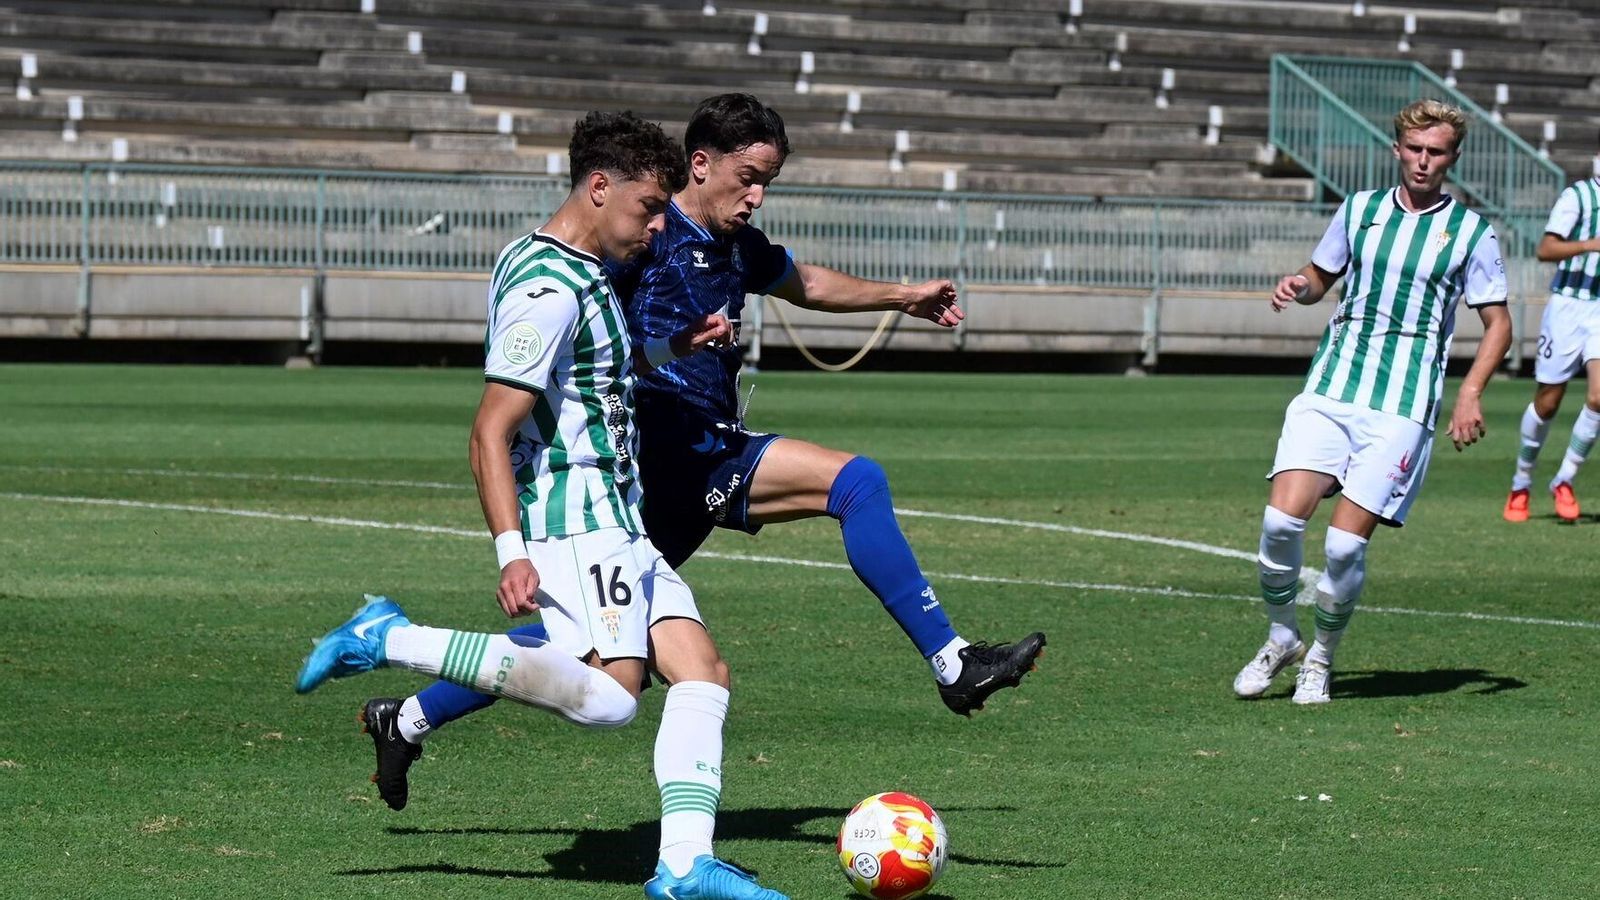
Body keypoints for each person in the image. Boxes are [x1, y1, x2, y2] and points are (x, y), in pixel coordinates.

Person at [357, 93, 1046, 812]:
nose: (756, 196)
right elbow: (578, 301)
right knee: (854, 483)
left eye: (768, 183)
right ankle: (951, 660)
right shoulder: (642, 235)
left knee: (583, 646)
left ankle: (404, 718)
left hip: (652, 482)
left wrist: (901, 296)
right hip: (667, 454)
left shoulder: (734, 245)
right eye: (747, 176)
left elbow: (802, 281)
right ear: (700, 163)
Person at [297, 109, 788, 900]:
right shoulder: (548, 287)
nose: (659, 226)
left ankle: (685, 866)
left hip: (620, 519)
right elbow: (491, 429)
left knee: (703, 672)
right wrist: (511, 549)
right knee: (611, 703)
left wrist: (674, 347)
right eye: (647, 208)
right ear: (599, 188)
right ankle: (390, 636)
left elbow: (598, 371)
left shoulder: (582, 268)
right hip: (577, 518)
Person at [1232, 99, 1511, 705]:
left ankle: (1321, 660)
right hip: (1331, 387)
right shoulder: (1359, 210)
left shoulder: (1470, 232)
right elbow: (1318, 278)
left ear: (1452, 158)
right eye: (1415, 149)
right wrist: (1297, 286)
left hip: (1401, 406)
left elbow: (1498, 324)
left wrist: (1470, 392)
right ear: (1397, 149)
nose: (1423, 161)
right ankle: (1283, 637)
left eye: (1436, 152)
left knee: (1342, 545)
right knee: (1280, 524)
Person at [1502, 139, 1600, 524]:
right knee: (1548, 402)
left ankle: (1565, 479)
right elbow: (1545, 249)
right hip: (1568, 305)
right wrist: (1592, 244)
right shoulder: (1579, 196)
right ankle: (1521, 483)